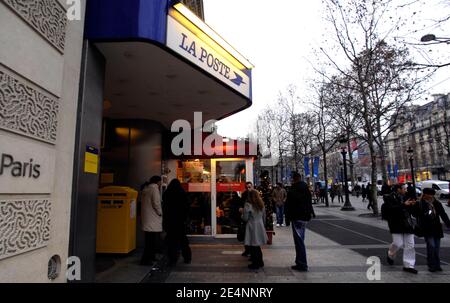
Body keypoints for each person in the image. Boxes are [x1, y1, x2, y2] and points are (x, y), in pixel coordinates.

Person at [383, 184, 418, 274]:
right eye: (404, 189)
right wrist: (403, 204)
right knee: (398, 243)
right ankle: (390, 253)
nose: (406, 190)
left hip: (407, 223)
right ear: (398, 189)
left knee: (410, 245)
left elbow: (411, 211)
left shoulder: (407, 197)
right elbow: (391, 209)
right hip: (396, 224)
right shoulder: (389, 197)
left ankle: (409, 265)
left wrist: (413, 205)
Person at [413, 188, 450, 272]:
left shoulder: (436, 203)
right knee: (431, 246)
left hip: (437, 228)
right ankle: (431, 265)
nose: (431, 196)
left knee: (436, 248)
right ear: (424, 195)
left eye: (432, 194)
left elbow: (443, 214)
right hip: (427, 228)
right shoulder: (420, 203)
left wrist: (448, 224)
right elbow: (414, 214)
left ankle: (437, 265)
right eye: (429, 194)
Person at [285, 172, 316, 272]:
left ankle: (302, 264)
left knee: (299, 241)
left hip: (297, 217)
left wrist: (287, 218)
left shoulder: (294, 189)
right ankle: (299, 262)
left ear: (294, 179)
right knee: (300, 240)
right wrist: (311, 213)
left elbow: (290, 204)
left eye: (291, 178)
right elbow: (308, 202)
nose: (291, 180)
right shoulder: (305, 188)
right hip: (304, 217)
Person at [163, 179, 192, 266]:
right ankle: (187, 257)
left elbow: (164, 208)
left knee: (172, 241)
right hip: (180, 222)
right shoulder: (182, 193)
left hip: (170, 222)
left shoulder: (167, 194)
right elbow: (187, 207)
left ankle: (172, 259)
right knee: (183, 241)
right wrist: (185, 218)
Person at [240, 189, 267, 270]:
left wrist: (241, 213)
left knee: (253, 245)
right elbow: (264, 216)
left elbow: (245, 218)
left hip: (252, 226)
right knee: (257, 245)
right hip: (260, 224)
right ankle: (260, 262)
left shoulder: (248, 205)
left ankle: (255, 263)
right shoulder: (260, 203)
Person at [140, 176, 163, 266]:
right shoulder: (154, 189)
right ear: (157, 182)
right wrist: (160, 213)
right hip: (153, 219)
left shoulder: (146, 189)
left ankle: (150, 257)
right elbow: (156, 203)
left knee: (149, 241)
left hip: (147, 219)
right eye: (160, 182)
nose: (161, 183)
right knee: (151, 242)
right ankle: (146, 260)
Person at [240, 182, 253, 257]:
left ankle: (250, 250)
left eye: (250, 187)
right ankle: (247, 250)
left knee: (251, 236)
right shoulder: (244, 194)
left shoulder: (254, 194)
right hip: (246, 216)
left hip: (251, 218)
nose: (248, 189)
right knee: (246, 235)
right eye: (247, 187)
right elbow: (242, 204)